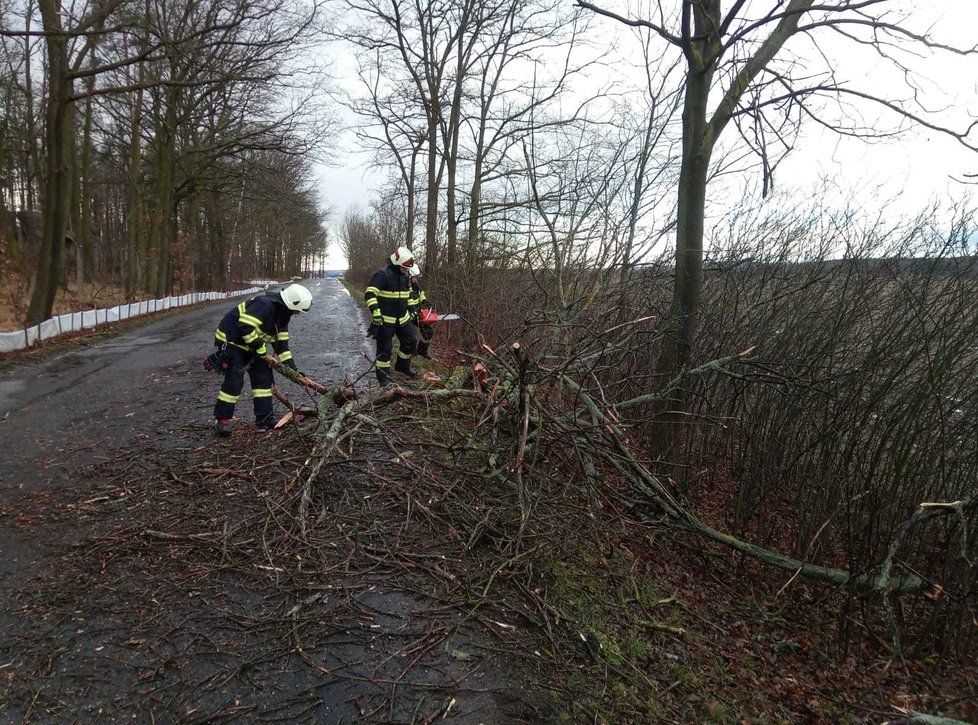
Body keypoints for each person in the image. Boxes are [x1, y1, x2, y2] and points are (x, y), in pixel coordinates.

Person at [207, 283, 313, 436]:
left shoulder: (283, 316)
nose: (297, 313)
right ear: (291, 304)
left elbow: (281, 345)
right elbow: (245, 326)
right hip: (232, 342)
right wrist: (259, 346)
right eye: (297, 310)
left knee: (263, 379)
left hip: (252, 346)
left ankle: (265, 418)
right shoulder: (264, 305)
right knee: (234, 382)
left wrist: (292, 369)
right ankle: (222, 420)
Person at [365, 246, 418, 386]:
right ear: (396, 263)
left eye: (407, 268)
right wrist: (376, 311)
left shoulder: (406, 275)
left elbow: (409, 296)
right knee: (385, 350)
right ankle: (383, 378)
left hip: (403, 319)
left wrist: (412, 309)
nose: (406, 270)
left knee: (411, 341)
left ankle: (402, 365)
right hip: (385, 321)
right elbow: (370, 294)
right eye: (404, 267)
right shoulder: (382, 275)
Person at [409, 268, 434, 359]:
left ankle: (422, 351)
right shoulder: (404, 287)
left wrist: (425, 301)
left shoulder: (417, 285)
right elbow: (407, 302)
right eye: (414, 277)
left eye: (416, 277)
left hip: (417, 312)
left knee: (429, 332)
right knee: (412, 334)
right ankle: (411, 352)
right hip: (407, 314)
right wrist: (414, 310)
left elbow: (421, 294)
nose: (415, 279)